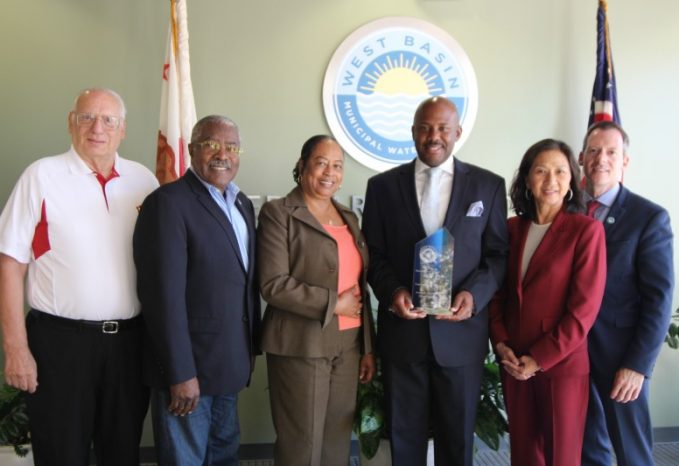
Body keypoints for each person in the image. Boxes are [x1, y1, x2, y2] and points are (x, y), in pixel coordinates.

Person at [0, 88, 158, 465]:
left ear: (123, 130)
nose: (97, 128)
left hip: (128, 346)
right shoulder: (41, 176)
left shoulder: (144, 181)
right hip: (59, 345)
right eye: (86, 117)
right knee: (61, 454)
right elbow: (10, 263)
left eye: (108, 120)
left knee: (121, 453)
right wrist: (16, 349)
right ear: (71, 124)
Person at [362, 96, 508, 466]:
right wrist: (393, 292)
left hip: (460, 338)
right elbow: (373, 256)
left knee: (456, 442)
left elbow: (496, 256)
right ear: (412, 133)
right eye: (425, 127)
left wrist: (473, 297)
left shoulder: (488, 186)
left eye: (443, 128)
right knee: (404, 438)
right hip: (403, 337)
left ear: (457, 132)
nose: (434, 136)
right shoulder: (381, 187)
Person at [133, 115, 261, 465]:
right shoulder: (168, 203)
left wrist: (248, 349)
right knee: (185, 460)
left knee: (224, 456)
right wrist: (180, 373)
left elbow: (242, 285)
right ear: (191, 149)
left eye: (232, 146)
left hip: (229, 364)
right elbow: (163, 297)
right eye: (211, 144)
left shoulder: (241, 204)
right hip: (188, 372)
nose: (223, 154)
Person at [257, 135, 375, 466]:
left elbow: (359, 286)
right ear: (303, 165)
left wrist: (367, 348)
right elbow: (273, 284)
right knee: (302, 446)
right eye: (321, 162)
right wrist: (333, 303)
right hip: (302, 343)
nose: (329, 172)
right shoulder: (278, 213)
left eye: (337, 166)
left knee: (336, 443)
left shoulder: (349, 218)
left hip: (348, 346)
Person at [489, 139, 607, 466]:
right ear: (527, 179)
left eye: (560, 171)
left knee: (561, 457)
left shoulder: (586, 231)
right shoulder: (511, 229)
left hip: (561, 364)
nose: (550, 180)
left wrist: (538, 360)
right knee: (524, 456)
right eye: (541, 171)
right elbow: (496, 295)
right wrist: (501, 344)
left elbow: (583, 312)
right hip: (513, 361)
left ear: (572, 180)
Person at [581, 121, 674, 466]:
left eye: (610, 152)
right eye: (593, 150)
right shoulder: (566, 211)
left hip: (622, 360)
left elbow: (659, 299)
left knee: (631, 453)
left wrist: (637, 365)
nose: (600, 159)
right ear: (581, 157)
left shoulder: (648, 217)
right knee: (588, 450)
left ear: (624, 161)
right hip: (573, 356)